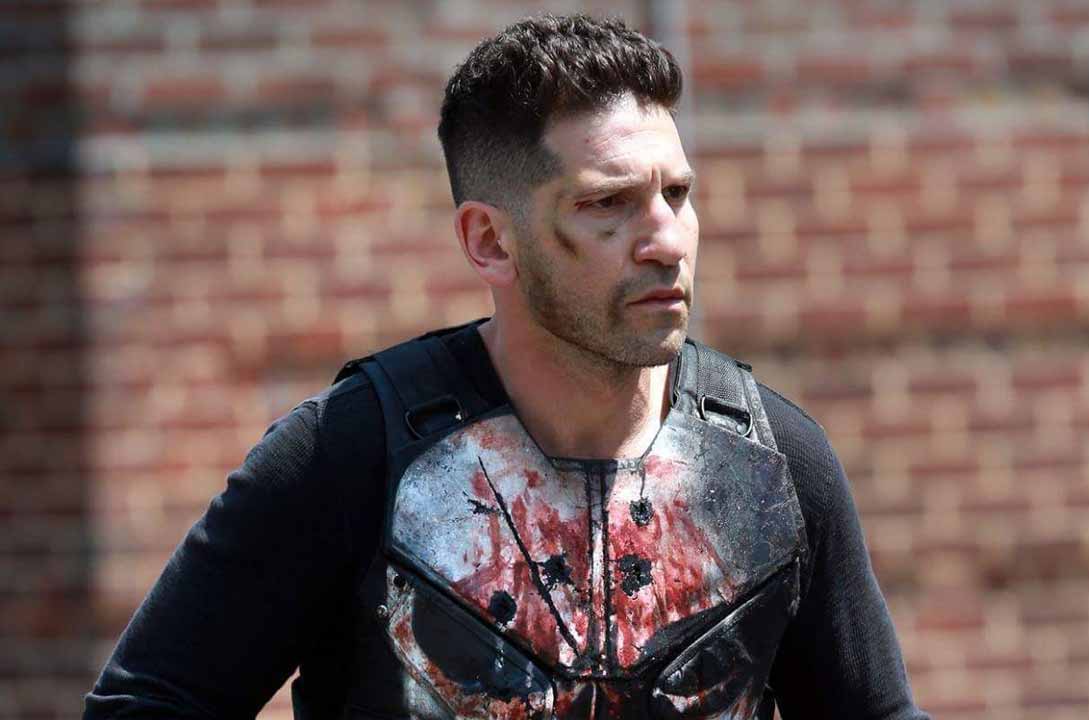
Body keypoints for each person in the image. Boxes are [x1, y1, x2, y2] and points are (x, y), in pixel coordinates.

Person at [84, 14, 929, 720]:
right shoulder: (349, 455)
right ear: (490, 241)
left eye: (677, 194)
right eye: (608, 203)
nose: (668, 240)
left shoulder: (775, 461)